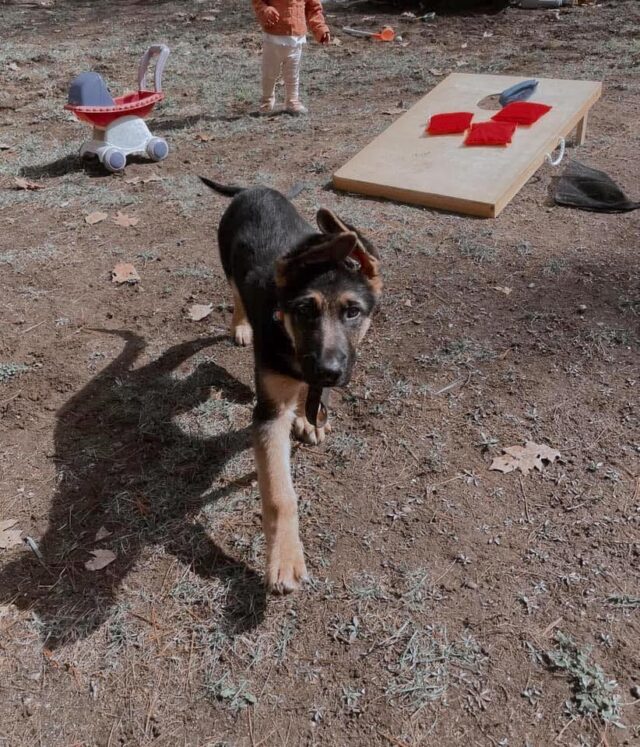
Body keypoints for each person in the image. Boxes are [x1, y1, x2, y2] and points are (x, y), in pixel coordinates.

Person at [252, 0, 330, 115]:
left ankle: (292, 101)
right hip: (274, 36)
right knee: (270, 72)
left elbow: (313, 8)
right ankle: (267, 101)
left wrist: (320, 28)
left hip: (296, 37)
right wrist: (265, 10)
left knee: (292, 73)